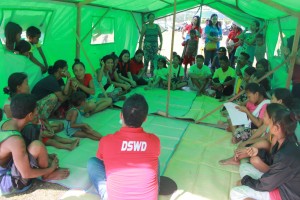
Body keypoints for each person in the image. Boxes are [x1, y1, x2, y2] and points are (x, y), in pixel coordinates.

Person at [87, 94, 160, 200]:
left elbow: (102, 159)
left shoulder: (106, 141)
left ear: (121, 115)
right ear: (145, 119)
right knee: (155, 159)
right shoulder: (154, 140)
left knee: (92, 162)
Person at [0, 93, 69, 195]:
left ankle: (43, 165)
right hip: (7, 181)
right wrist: (51, 168)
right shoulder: (15, 141)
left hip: (9, 164)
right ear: (30, 115)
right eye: (36, 110)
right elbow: (26, 173)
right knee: (38, 146)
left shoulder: (6, 122)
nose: (37, 112)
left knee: (32, 129)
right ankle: (47, 175)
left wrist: (47, 155)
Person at [230, 107, 300, 200]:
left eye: (270, 122)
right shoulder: (285, 140)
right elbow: (273, 162)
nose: (268, 124)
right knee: (244, 167)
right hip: (279, 182)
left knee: (235, 192)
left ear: (276, 128)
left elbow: (266, 185)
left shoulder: (287, 155)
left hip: (285, 194)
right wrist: (258, 152)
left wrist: (245, 181)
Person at [219, 88, 293, 166]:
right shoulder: (276, 111)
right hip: (269, 142)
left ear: (280, 101)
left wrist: (248, 142)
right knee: (247, 144)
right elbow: (262, 128)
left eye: (272, 98)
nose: (270, 101)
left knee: (262, 143)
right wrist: (247, 142)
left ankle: (235, 159)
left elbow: (267, 138)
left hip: (275, 152)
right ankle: (237, 157)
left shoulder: (282, 117)